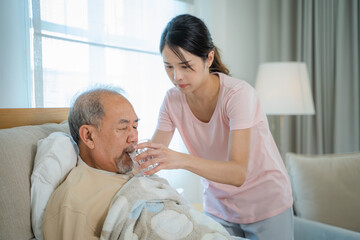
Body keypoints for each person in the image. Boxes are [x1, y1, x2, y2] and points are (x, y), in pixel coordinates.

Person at [131, 14, 294, 240]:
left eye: (186, 66)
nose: (176, 76)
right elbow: (152, 157)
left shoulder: (238, 95)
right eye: (168, 67)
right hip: (219, 207)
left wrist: (180, 159)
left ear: (209, 58)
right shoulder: (172, 100)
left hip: (266, 204)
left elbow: (237, 173)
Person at [42, 87, 139, 239]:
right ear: (88, 136)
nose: (134, 137)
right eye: (123, 127)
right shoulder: (75, 205)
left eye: (135, 126)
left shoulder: (135, 170)